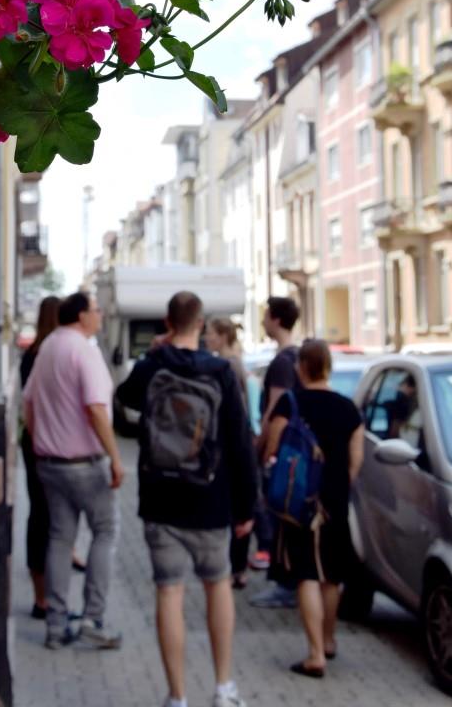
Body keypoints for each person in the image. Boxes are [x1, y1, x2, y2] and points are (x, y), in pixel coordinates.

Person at [117, 291, 257, 707]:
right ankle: (223, 688)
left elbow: (123, 398)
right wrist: (246, 506)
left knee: (169, 594)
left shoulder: (151, 366)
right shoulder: (220, 371)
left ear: (166, 321)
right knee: (218, 587)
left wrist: (155, 352)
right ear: (201, 325)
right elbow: (239, 442)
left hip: (160, 498)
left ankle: (177, 697)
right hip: (211, 498)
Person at [22, 291, 125, 650]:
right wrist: (115, 457)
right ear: (82, 316)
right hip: (85, 465)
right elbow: (96, 408)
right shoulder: (85, 350)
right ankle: (94, 619)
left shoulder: (48, 346)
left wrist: (41, 445)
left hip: (50, 464)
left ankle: (55, 625)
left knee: (60, 539)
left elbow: (28, 403)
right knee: (105, 532)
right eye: (96, 311)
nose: (100, 316)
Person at [264, 339, 365, 678]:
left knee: (306, 573)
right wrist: (338, 484)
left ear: (301, 367)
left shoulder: (290, 403)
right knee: (331, 575)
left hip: (299, 500)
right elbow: (356, 460)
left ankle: (314, 654)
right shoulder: (349, 408)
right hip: (334, 499)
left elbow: (273, 450)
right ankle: (329, 639)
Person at [248, 296, 301, 605]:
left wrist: (262, 445)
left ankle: (285, 585)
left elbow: (274, 409)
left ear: (276, 320)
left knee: (277, 514)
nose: (263, 321)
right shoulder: (296, 356)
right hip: (291, 451)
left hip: (279, 451)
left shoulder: (282, 362)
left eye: (266, 316)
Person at [204, 317, 259, 591]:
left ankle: (238, 567)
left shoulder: (229, 363)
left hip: (233, 440)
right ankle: (236, 565)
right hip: (232, 439)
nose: (207, 337)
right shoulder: (225, 361)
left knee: (240, 502)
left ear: (223, 335)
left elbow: (241, 408)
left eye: (211, 333)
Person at [19, 295, 61, 620]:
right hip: (53, 446)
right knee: (55, 522)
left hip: (32, 442)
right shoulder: (55, 356)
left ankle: (40, 597)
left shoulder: (31, 355)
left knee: (38, 516)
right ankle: (50, 598)